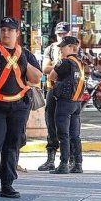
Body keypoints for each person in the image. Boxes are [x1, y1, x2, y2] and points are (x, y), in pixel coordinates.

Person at [0, 17, 42, 199]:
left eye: (10, 30)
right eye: (3, 29)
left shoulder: (25, 53)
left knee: (13, 145)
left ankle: (7, 184)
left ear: (17, 33)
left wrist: (19, 58)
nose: (6, 33)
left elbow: (36, 78)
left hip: (19, 105)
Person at [48, 36, 85, 174]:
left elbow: (52, 75)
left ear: (70, 47)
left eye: (62, 47)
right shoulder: (79, 63)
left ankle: (64, 164)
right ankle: (77, 163)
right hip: (76, 103)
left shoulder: (65, 62)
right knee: (75, 134)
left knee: (63, 134)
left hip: (64, 102)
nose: (60, 50)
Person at [38, 22, 71, 171]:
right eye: (59, 34)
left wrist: (58, 67)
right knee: (51, 123)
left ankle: (69, 160)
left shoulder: (74, 49)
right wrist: (62, 66)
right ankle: (50, 158)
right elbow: (45, 68)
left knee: (68, 127)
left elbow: (77, 68)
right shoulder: (50, 49)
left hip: (69, 92)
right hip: (53, 89)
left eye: (64, 34)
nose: (62, 37)